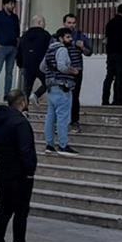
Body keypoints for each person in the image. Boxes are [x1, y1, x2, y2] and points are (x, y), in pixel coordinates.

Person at [0, 89, 41, 242]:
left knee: (4, 210)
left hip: (2, 171)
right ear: (22, 102)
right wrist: (30, 171)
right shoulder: (20, 123)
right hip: (19, 174)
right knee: (20, 212)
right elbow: (25, 150)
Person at [41, 27, 80, 155]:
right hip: (63, 88)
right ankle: (63, 145)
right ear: (61, 38)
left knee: (50, 118)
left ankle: (49, 145)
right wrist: (73, 71)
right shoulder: (62, 50)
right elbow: (62, 66)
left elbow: (42, 67)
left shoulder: (49, 49)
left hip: (51, 88)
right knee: (63, 118)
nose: (71, 39)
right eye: (68, 37)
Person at [62, 13, 92, 132]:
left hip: (76, 71)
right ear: (64, 23)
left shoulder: (80, 36)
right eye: (69, 23)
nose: (71, 25)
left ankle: (74, 121)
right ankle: (61, 122)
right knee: (62, 97)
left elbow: (89, 52)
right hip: (62, 71)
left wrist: (82, 47)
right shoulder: (58, 36)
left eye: (73, 23)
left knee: (74, 96)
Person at [16, 16, 51, 106]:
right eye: (44, 22)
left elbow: (19, 51)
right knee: (49, 83)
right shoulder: (46, 35)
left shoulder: (24, 36)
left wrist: (20, 65)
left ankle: (24, 109)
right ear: (39, 23)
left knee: (26, 89)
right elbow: (50, 50)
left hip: (27, 65)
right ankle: (36, 94)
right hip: (41, 65)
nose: (45, 24)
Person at [102, 4, 122, 106]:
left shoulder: (109, 23)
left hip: (110, 53)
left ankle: (105, 100)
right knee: (120, 77)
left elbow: (106, 39)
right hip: (120, 53)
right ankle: (119, 100)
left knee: (109, 77)